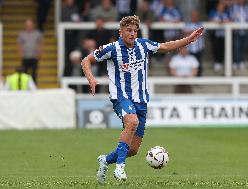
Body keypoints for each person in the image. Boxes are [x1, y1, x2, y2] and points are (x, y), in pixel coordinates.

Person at [81, 15, 203, 184]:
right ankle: (120, 168)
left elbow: (167, 46)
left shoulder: (143, 45)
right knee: (132, 122)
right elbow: (86, 60)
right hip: (121, 96)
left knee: (132, 149)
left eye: (135, 30)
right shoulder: (112, 49)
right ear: (120, 32)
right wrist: (91, 79)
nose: (132, 33)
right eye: (128, 30)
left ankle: (105, 160)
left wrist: (188, 39)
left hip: (141, 100)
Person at [17, 18, 43, 83]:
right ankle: (25, 87)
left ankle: (34, 88)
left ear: (33, 25)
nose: (29, 26)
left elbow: (40, 43)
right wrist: (21, 54)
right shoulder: (22, 34)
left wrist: (40, 53)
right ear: (25, 25)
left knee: (34, 73)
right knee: (24, 74)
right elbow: (19, 45)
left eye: (30, 24)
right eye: (27, 25)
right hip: (25, 57)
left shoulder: (37, 33)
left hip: (34, 57)